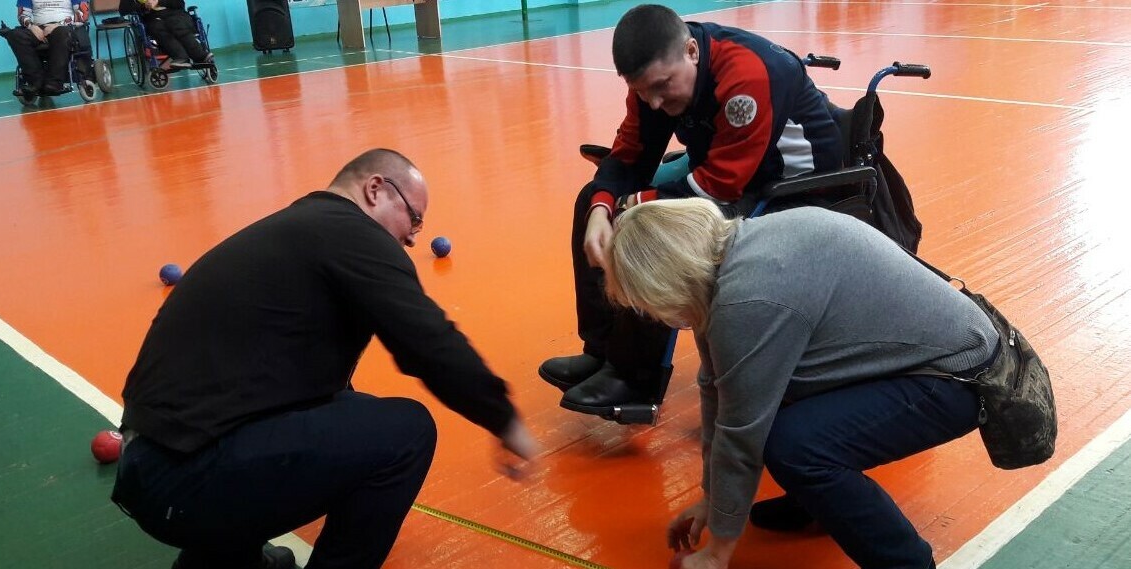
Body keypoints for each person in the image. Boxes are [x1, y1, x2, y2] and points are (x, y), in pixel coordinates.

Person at [111, 148, 541, 569]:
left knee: (345, 408)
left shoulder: (299, 229)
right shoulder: (353, 234)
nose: (413, 238)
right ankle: (221, 544)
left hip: (150, 465)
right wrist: (503, 418)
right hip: (182, 481)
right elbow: (428, 342)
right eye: (414, 218)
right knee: (406, 433)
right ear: (376, 189)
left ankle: (222, 558)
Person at [603, 199, 1000, 569]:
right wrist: (713, 498)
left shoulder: (745, 301)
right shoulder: (735, 253)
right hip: (935, 355)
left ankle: (907, 563)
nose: (653, 314)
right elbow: (717, 388)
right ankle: (817, 502)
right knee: (774, 392)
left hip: (958, 378)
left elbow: (740, 431)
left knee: (795, 447)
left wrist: (717, 553)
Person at [538, 4, 844, 416]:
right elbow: (629, 155)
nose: (653, 102)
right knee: (592, 198)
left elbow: (719, 186)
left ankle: (634, 377)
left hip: (790, 186)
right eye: (642, 91)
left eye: (661, 87)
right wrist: (601, 207)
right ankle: (602, 349)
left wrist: (631, 205)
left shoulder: (747, 75)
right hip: (731, 167)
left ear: (692, 52)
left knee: (658, 226)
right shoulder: (655, 77)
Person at [0, 0, 89, 96]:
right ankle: (35, 83)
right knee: (15, 35)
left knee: (61, 33)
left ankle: (54, 84)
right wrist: (31, 26)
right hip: (38, 28)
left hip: (64, 27)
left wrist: (59, 25)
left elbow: (83, 14)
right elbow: (22, 15)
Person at [119, 0, 211, 69]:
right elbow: (123, 10)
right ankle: (181, 57)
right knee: (158, 28)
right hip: (153, 18)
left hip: (177, 14)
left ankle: (199, 55)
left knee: (175, 24)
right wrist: (143, 6)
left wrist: (159, 1)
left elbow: (180, 3)